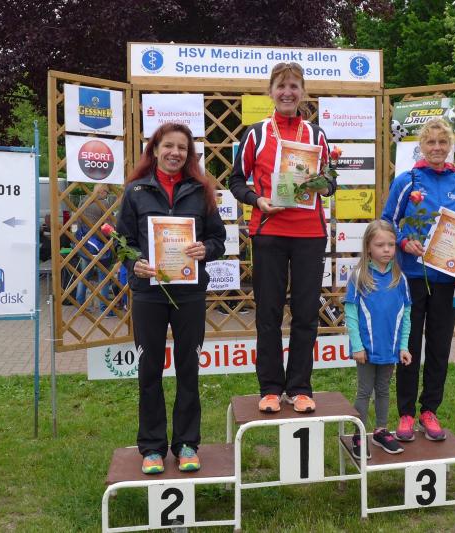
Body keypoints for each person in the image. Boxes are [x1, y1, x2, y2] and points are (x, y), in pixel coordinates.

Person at [116, 123, 226, 474]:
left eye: (182, 147)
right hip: (149, 293)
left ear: (189, 154)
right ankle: (151, 447)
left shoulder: (200, 191)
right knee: (149, 369)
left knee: (188, 368)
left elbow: (218, 239)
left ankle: (187, 444)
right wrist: (136, 263)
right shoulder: (135, 192)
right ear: (155, 149)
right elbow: (123, 242)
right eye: (168, 146)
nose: (175, 153)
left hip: (189, 293)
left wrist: (205, 249)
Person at [229, 62, 335, 414]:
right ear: (271, 91)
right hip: (269, 232)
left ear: (303, 92)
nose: (287, 92)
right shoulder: (256, 133)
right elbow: (236, 180)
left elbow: (330, 182)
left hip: (309, 233)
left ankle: (300, 387)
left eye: (294, 86)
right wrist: (257, 200)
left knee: (306, 313)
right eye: (281, 86)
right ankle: (271, 388)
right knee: (269, 313)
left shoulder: (316, 134)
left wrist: (322, 185)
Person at [381, 117, 455, 442]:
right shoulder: (407, 180)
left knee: (439, 346)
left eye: (442, 142)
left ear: (451, 147)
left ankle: (429, 410)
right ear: (421, 145)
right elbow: (388, 221)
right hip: (412, 277)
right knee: (409, 346)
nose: (436, 148)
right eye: (430, 142)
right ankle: (406, 413)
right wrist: (404, 242)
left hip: (446, 278)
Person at [344, 220, 412, 459]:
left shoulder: (400, 279)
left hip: (389, 349)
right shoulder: (359, 277)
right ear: (368, 247)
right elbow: (351, 315)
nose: (386, 249)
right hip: (366, 350)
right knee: (364, 391)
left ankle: (381, 431)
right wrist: (357, 346)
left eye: (391, 245)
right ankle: (359, 435)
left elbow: (406, 314)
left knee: (383, 390)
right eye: (380, 245)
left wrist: (403, 346)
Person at [75, 183, 115, 315]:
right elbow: (109, 225)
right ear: (102, 192)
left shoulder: (83, 201)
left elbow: (78, 221)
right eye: (107, 193)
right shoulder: (103, 203)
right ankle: (104, 309)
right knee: (103, 277)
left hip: (86, 244)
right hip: (100, 244)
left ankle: (80, 305)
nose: (107, 195)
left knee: (84, 276)